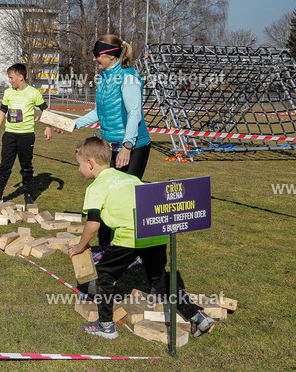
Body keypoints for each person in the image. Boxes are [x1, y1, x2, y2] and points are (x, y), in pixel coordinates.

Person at [68, 136, 216, 340]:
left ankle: (105, 325)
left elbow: (93, 225)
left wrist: (79, 246)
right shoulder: (130, 178)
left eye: (79, 165)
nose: (78, 170)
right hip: (155, 231)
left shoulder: (95, 188)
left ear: (90, 163)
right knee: (159, 279)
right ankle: (197, 316)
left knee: (104, 275)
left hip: (129, 237)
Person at [73, 34, 152, 180]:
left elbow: (134, 113)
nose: (93, 58)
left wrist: (127, 147)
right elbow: (100, 112)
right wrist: (74, 124)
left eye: (97, 54)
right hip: (111, 146)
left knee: (127, 195)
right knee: (111, 191)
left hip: (133, 147)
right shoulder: (103, 77)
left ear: (110, 56)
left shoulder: (128, 77)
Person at [0, 63, 52, 204]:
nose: (10, 80)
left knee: (26, 167)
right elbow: (2, 110)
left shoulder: (33, 93)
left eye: (12, 78)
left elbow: (45, 109)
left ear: (21, 77)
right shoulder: (8, 92)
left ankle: (28, 196)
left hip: (26, 135)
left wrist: (48, 127)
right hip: (10, 135)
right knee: (4, 166)